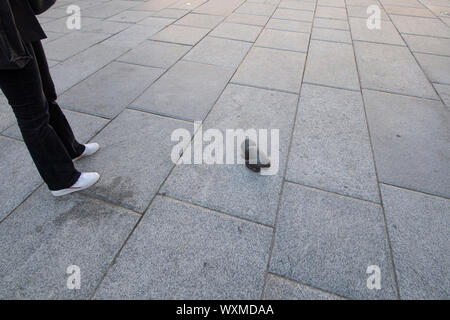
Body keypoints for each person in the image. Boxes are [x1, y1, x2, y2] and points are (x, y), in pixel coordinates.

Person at [0, 1, 100, 196]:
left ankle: (71, 149)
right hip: (4, 39)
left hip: (17, 20)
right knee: (31, 113)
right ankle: (62, 180)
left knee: (47, 95)